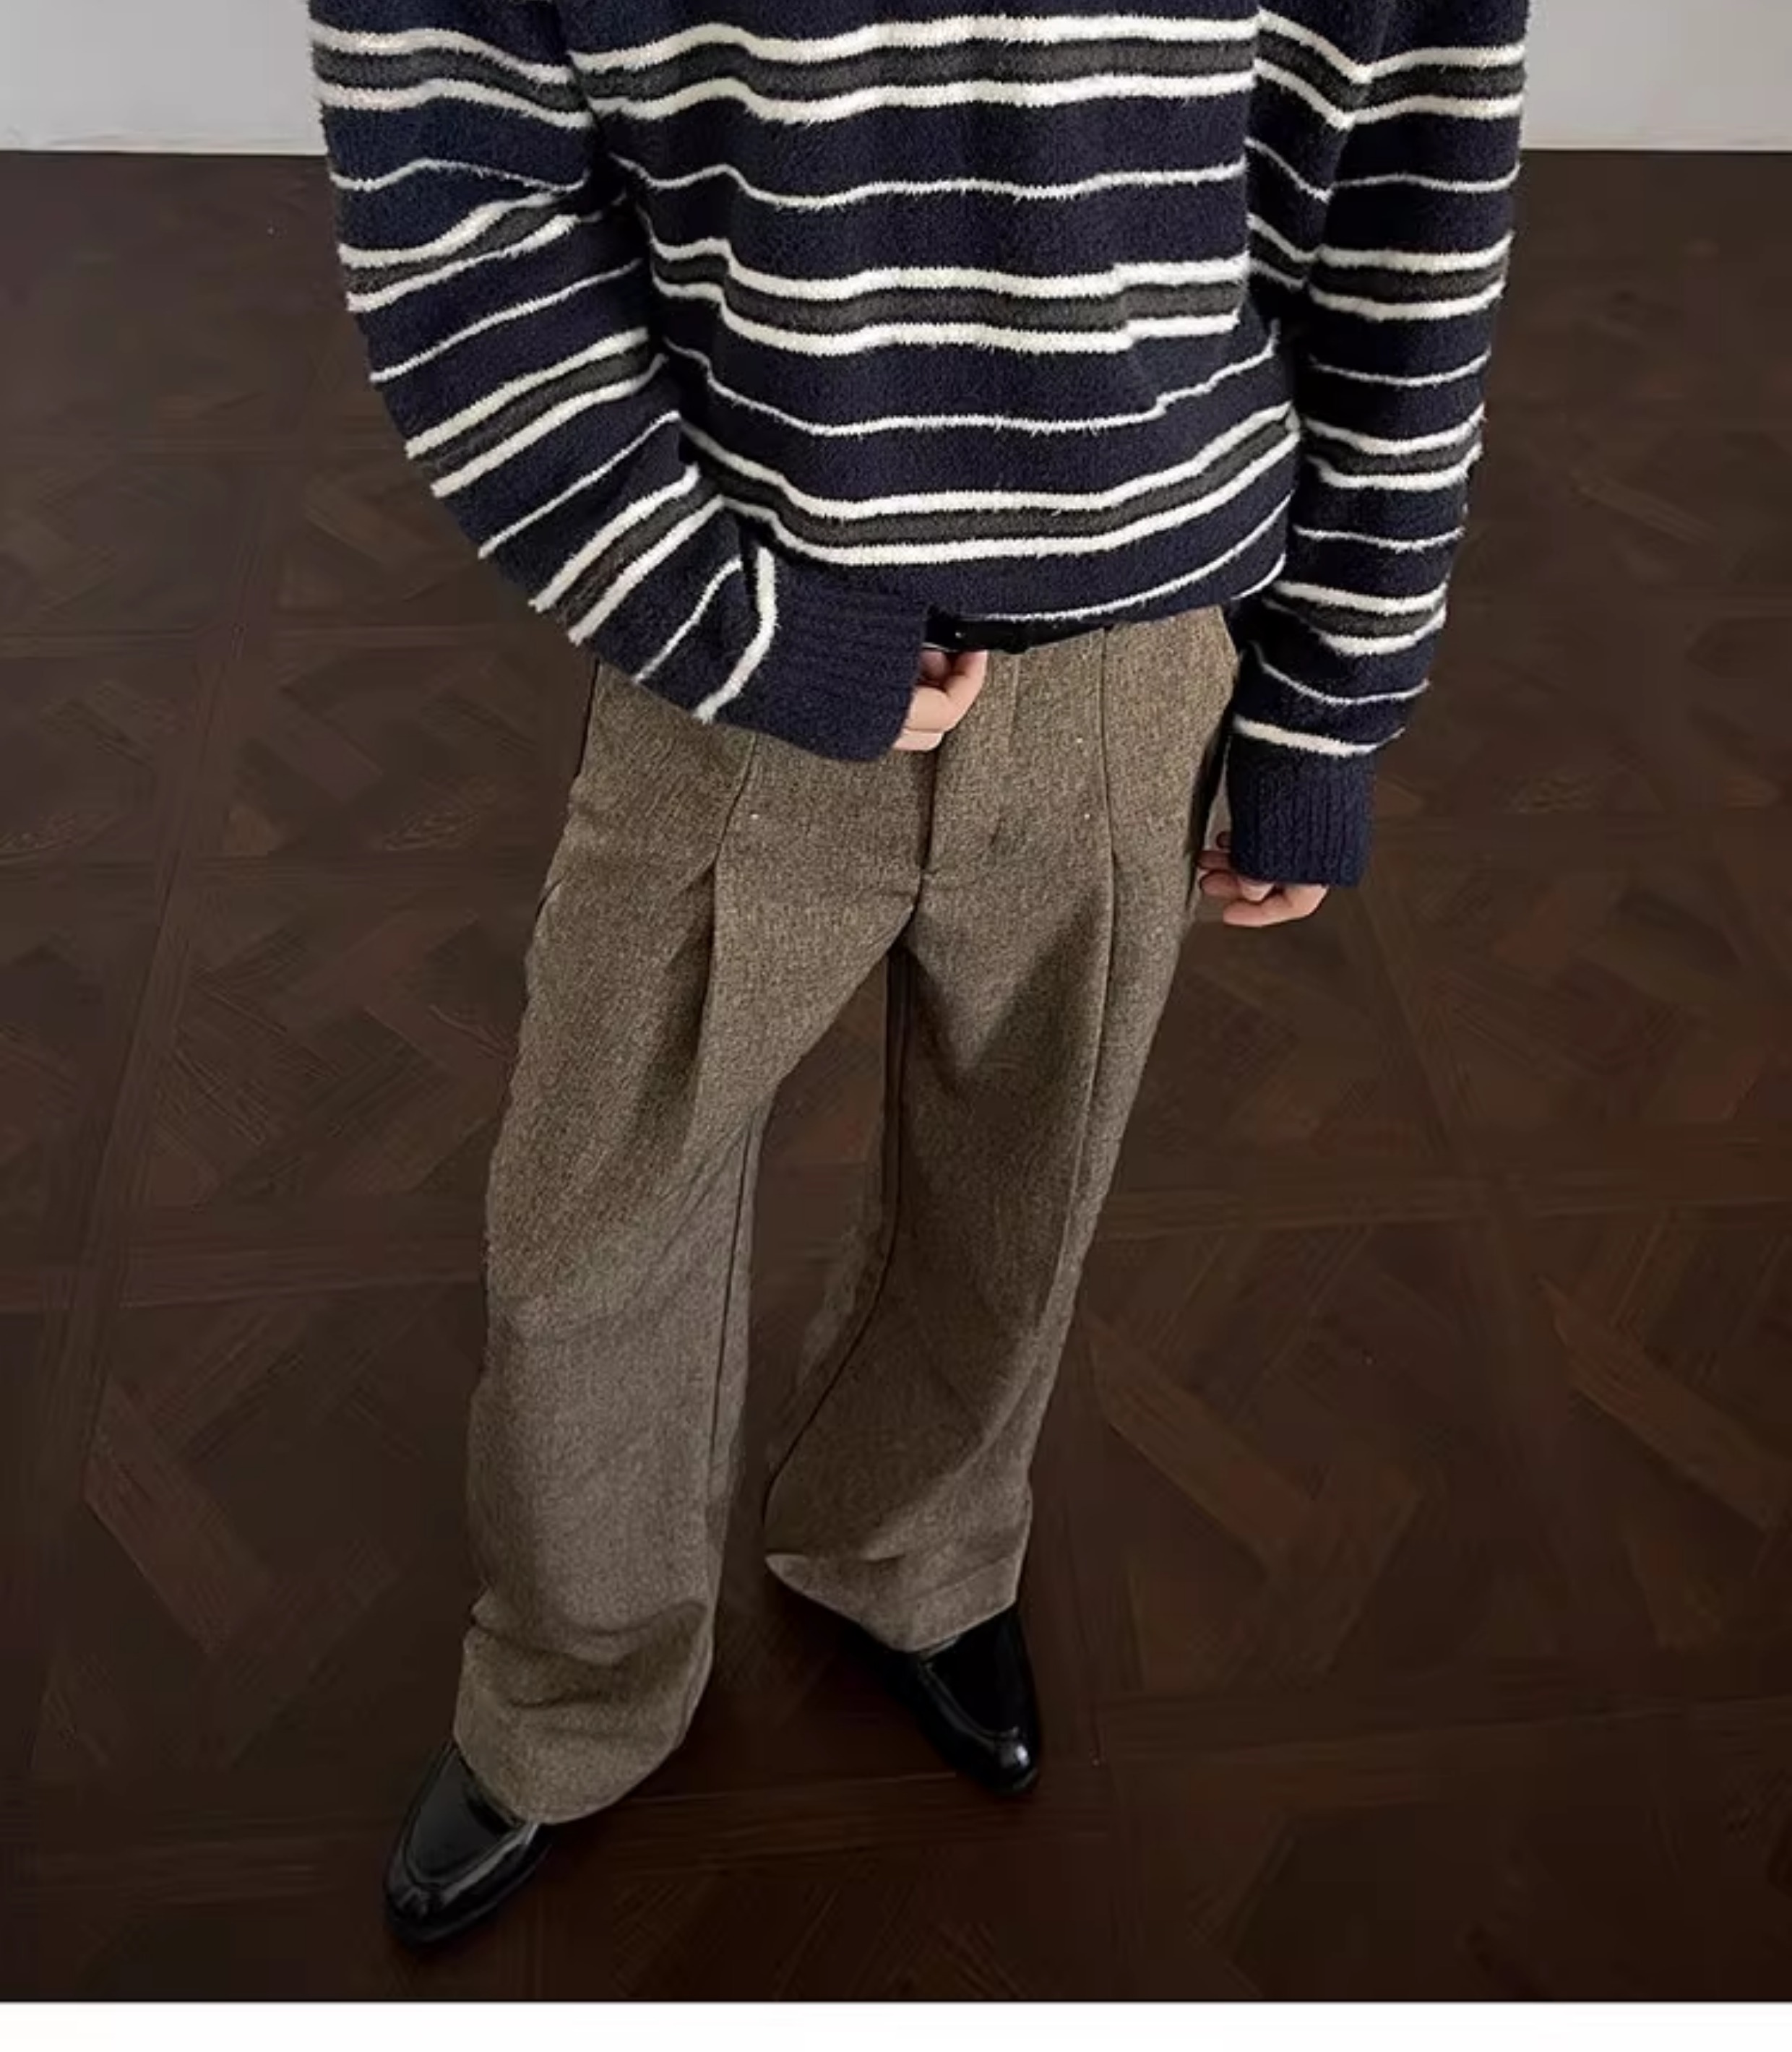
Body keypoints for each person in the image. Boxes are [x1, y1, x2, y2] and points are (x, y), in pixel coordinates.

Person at [309, 0, 1528, 1945]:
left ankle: (912, 1557)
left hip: (1138, 654)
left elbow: (1407, 206)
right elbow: (461, 214)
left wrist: (1330, 699)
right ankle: (573, 1685)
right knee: (591, 1220)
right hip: (737, 657)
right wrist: (723, 618)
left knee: (1020, 1185)